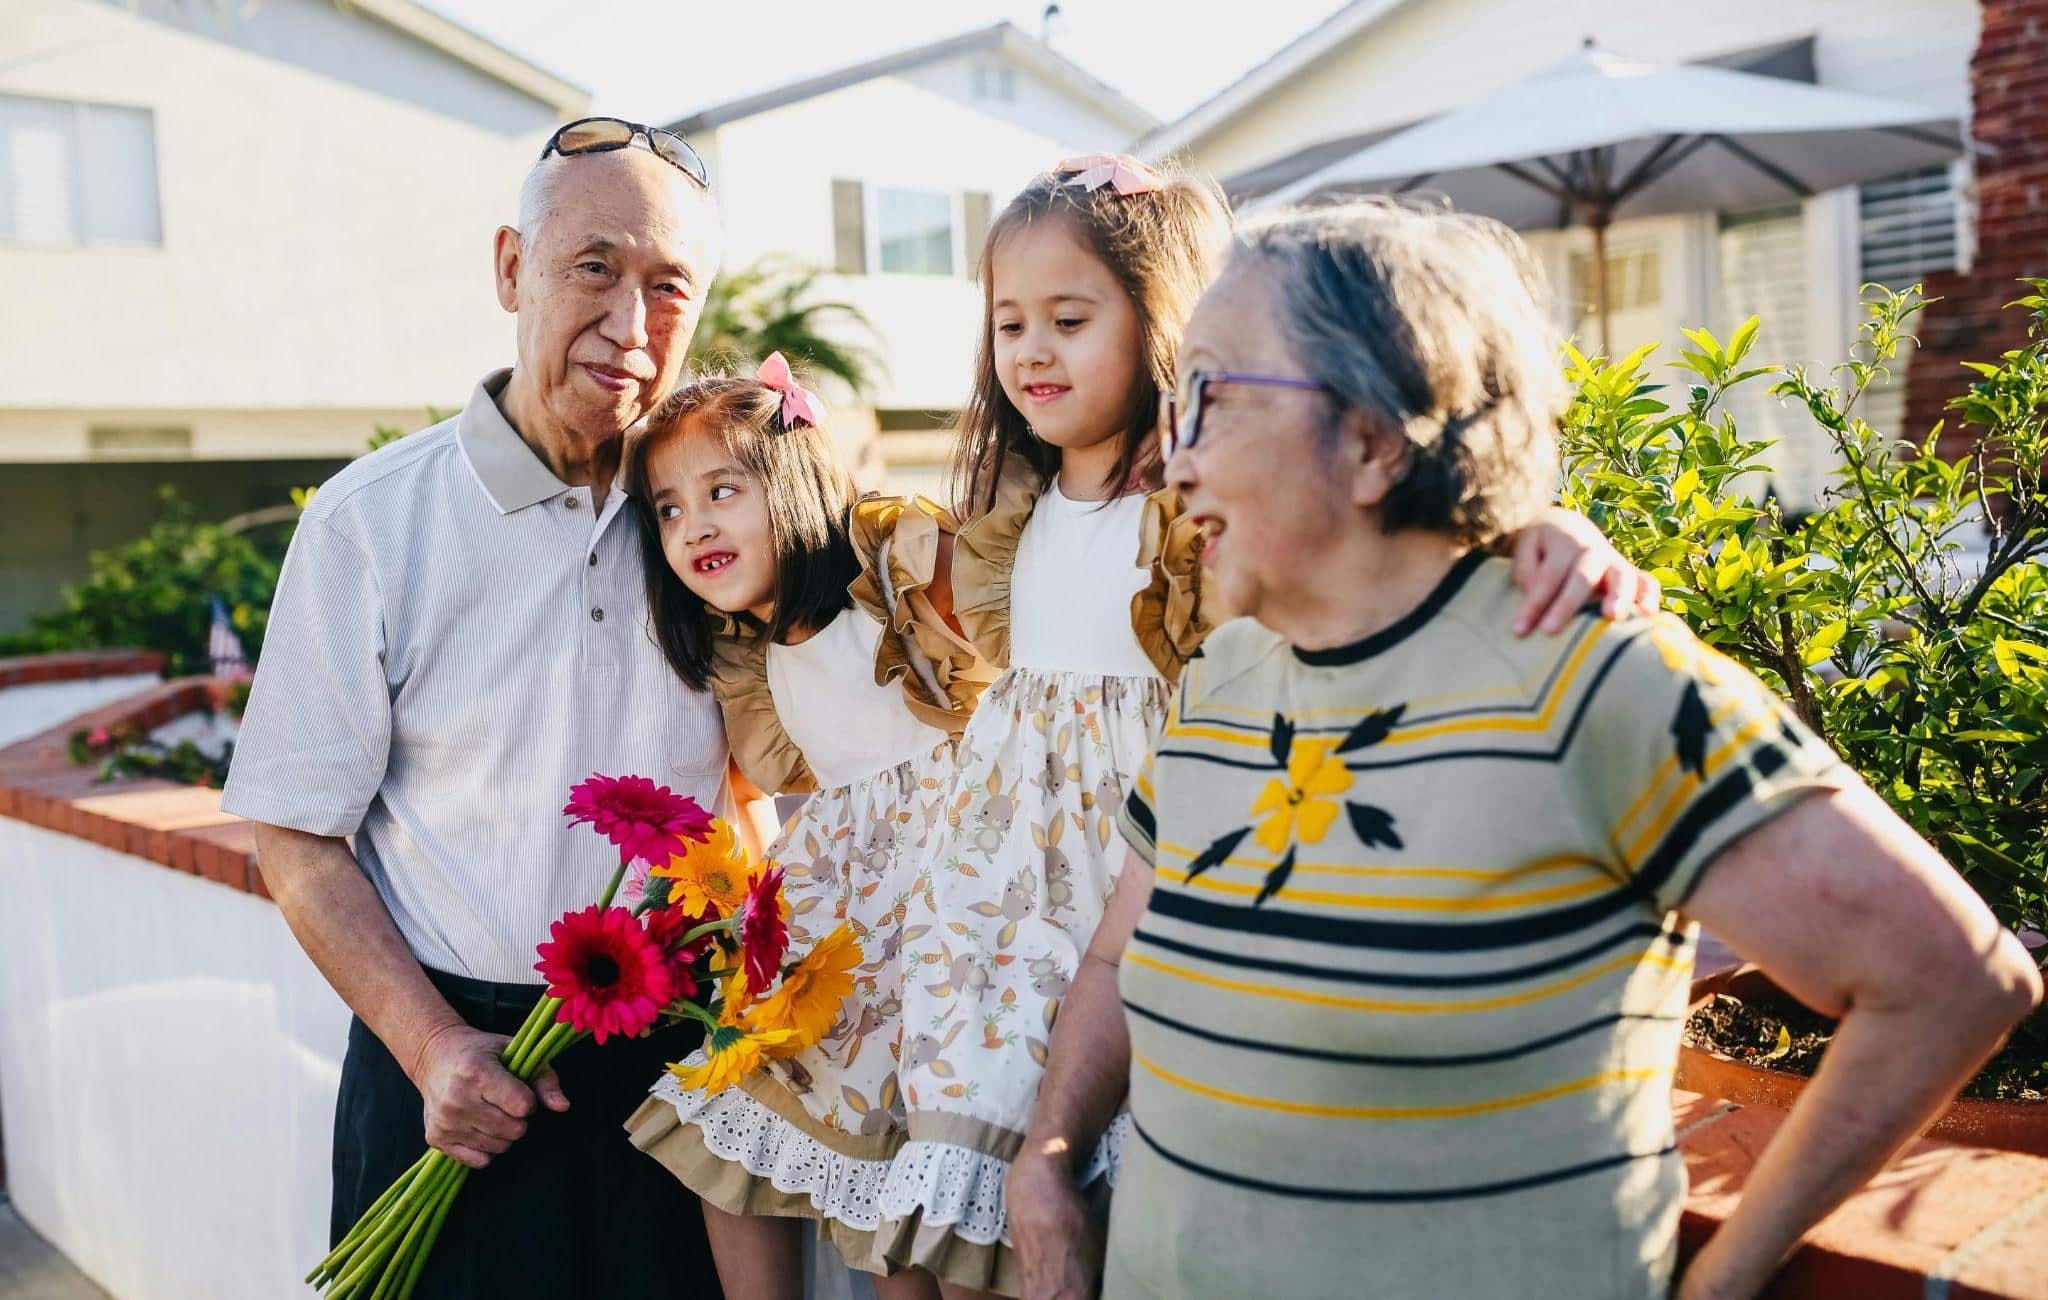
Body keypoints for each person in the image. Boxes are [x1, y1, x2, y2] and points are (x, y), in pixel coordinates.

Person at [1005, 200, 2045, 1300]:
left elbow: (1947, 981)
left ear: (1367, 438)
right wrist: (1048, 1159)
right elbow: (1123, 956)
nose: (1173, 458)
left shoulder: (1592, 677)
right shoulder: (1225, 678)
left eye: (1209, 396)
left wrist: (1723, 1278)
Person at [876, 158, 1665, 1297]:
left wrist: (1540, 526)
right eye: (1008, 323)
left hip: (1129, 862)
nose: (1031, 351)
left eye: (1067, 318)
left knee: (1104, 1193)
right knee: (973, 1196)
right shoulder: (1005, 510)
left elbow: (1385, 528)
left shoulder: (1198, 501)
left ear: (1164, 323)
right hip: (995, 893)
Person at [224, 118, 766, 1296]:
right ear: (511, 268)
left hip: (671, 1078)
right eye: (594, 269)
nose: (630, 326)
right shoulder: (371, 523)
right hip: (450, 1077)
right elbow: (295, 834)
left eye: (667, 286)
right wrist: (433, 1050)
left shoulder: (721, 528)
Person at [618, 357, 993, 1299]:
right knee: (760, 1131)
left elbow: (1007, 658)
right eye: (667, 507)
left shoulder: (887, 571)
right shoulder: (753, 654)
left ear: (790, 479)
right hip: (849, 924)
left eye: (722, 489)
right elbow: (760, 788)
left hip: (954, 903)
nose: (693, 522)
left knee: (936, 1195)